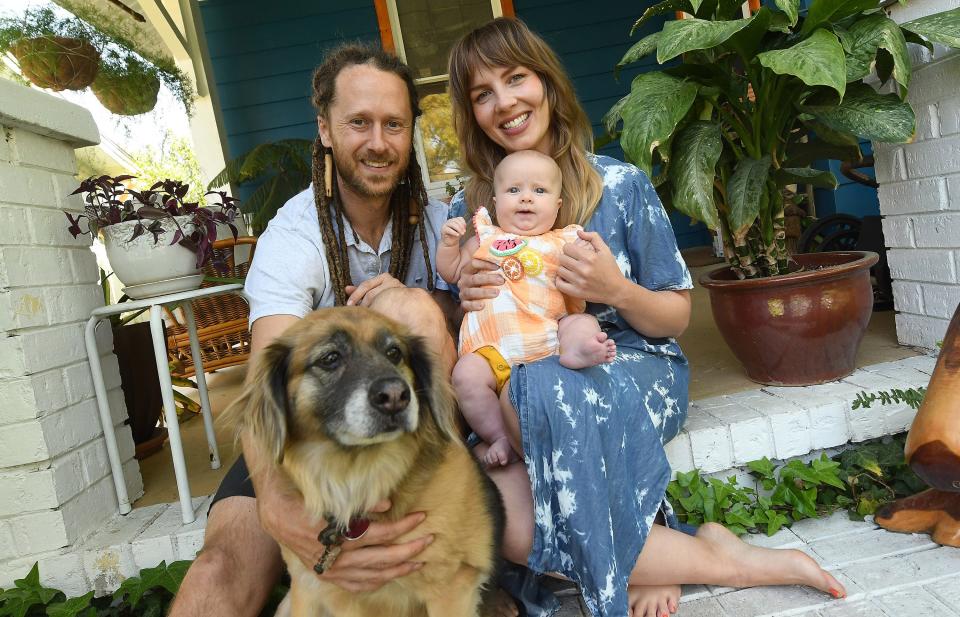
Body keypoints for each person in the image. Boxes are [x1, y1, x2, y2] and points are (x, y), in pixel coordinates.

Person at [446, 17, 847, 617]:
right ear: (471, 112)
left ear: (547, 83)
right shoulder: (469, 208)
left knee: (543, 397)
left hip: (631, 363)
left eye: (515, 78)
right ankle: (707, 554)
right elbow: (472, 320)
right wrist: (464, 285)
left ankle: (711, 566)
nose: (504, 103)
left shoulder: (619, 183)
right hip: (519, 379)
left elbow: (676, 317)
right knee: (503, 516)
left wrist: (616, 289)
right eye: (482, 93)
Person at [168, 44, 471, 617]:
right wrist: (280, 508)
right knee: (219, 571)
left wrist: (424, 304)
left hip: (422, 447)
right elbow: (267, 379)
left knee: (417, 310)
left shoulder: (440, 225)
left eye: (394, 125)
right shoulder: (296, 234)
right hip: (311, 444)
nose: (378, 142)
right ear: (325, 129)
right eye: (359, 122)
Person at [438, 149, 615, 468]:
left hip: (550, 343)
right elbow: (451, 272)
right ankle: (499, 435)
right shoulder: (485, 238)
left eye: (539, 190)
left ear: (557, 206)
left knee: (582, 322)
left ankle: (580, 352)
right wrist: (449, 245)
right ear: (495, 202)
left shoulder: (563, 240)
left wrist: (590, 252)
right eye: (514, 190)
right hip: (492, 354)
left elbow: (589, 277)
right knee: (465, 376)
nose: (526, 199)